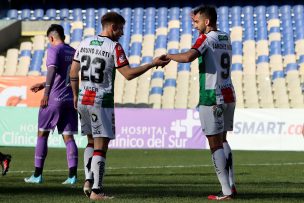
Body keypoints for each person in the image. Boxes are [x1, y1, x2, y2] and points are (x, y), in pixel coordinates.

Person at [70, 12, 170, 200]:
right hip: (101, 100)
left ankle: (88, 181)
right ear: (113, 27)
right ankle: (97, 191)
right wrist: (152, 64)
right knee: (102, 144)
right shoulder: (114, 47)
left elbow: (73, 72)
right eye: (121, 28)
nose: (122, 33)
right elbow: (129, 74)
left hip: (84, 99)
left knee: (90, 141)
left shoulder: (84, 43)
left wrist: (75, 94)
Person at [163, 5, 236, 200]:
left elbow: (188, 57)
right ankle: (232, 185)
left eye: (196, 22)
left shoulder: (206, 38)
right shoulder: (225, 37)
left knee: (214, 144)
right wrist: (197, 15)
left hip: (211, 96)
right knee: (224, 140)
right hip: (228, 93)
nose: (194, 26)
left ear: (207, 22)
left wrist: (168, 56)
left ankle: (226, 192)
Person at [24, 24, 78, 184]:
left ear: (51, 38)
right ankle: (72, 176)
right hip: (69, 99)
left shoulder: (54, 49)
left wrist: (46, 93)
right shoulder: (72, 51)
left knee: (42, 134)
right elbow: (67, 75)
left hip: (54, 99)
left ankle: (37, 175)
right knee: (69, 137)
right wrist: (43, 84)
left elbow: (52, 71)